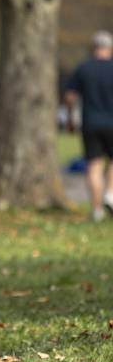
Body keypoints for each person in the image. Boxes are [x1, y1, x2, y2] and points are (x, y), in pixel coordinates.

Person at [65, 30, 113, 222]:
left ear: (93, 47)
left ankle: (96, 210)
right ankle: (110, 193)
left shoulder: (83, 68)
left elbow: (69, 97)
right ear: (110, 48)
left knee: (93, 164)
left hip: (90, 122)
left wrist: (70, 117)